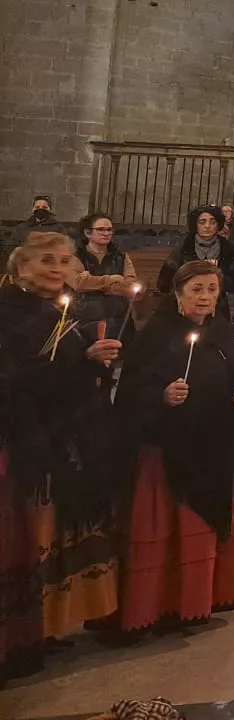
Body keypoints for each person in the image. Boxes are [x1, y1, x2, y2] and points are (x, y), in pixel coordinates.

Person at [0, 232, 120, 676]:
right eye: (46, 260)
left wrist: (91, 359)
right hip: (24, 444)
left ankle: (42, 629)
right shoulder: (8, 312)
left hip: (61, 439)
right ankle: (17, 640)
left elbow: (64, 371)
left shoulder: (58, 311)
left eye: (65, 260)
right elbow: (15, 379)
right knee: (23, 541)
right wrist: (77, 362)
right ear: (20, 268)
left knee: (47, 541)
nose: (57, 267)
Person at [116, 261, 234, 633]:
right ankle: (165, 601)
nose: (205, 297)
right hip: (171, 450)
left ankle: (209, 595)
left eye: (212, 289)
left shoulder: (220, 329)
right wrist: (161, 396)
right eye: (196, 289)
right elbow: (130, 389)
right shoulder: (157, 334)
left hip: (216, 445)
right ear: (178, 294)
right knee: (173, 528)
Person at [157, 206, 234, 322]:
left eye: (212, 222)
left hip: (216, 309)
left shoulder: (226, 250)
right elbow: (165, 282)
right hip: (186, 309)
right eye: (202, 222)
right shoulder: (184, 248)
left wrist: (218, 276)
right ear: (195, 225)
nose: (207, 226)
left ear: (218, 225)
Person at [71, 212, 142, 334]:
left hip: (118, 321)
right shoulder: (75, 256)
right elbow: (78, 284)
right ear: (88, 233)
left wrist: (93, 283)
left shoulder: (122, 257)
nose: (106, 233)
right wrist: (113, 280)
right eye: (101, 229)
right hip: (85, 320)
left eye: (109, 230)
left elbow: (131, 286)